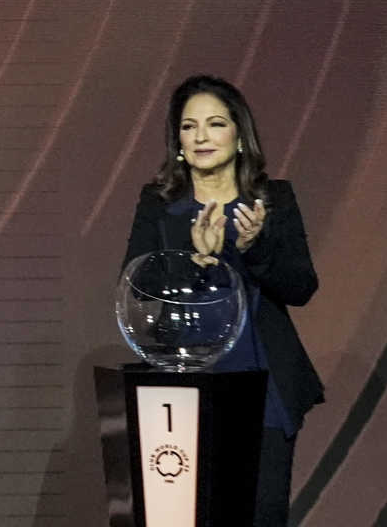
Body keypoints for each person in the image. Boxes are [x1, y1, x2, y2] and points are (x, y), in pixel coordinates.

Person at [122, 75, 321, 527]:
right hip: (186, 385)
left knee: (260, 515)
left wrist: (255, 248)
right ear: (178, 140)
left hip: (263, 384)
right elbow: (136, 289)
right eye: (189, 127)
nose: (201, 137)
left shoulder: (273, 200)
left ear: (238, 135)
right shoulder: (159, 203)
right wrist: (196, 261)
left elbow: (302, 288)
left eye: (214, 124)